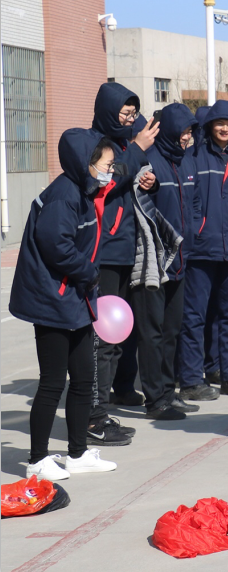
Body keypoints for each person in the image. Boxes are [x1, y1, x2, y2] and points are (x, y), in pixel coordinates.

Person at [13, 130, 122, 480]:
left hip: (75, 297)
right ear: (86, 163)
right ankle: (38, 459)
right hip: (53, 299)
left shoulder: (84, 191)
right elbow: (56, 246)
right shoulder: (63, 196)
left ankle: (76, 453)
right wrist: (88, 273)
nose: (110, 170)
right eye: (106, 165)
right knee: (52, 382)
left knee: (83, 380)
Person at [85, 83, 159, 445]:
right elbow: (103, 184)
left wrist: (145, 179)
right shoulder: (94, 144)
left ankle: (102, 408)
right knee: (101, 339)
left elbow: (124, 182)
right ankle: (93, 416)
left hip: (124, 250)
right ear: (107, 110)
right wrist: (136, 153)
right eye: (125, 114)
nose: (130, 120)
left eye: (133, 114)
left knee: (115, 338)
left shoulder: (124, 147)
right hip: (103, 253)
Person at [176, 101, 228, 401]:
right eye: (219, 123)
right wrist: (197, 228)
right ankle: (190, 379)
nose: (224, 128)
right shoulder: (195, 156)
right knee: (195, 317)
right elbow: (189, 197)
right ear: (210, 125)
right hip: (202, 249)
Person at [136, 104, 196, 421]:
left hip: (181, 259)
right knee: (152, 331)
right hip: (154, 262)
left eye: (190, 132)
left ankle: (168, 391)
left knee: (172, 330)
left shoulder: (184, 161)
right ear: (170, 130)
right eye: (184, 131)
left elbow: (193, 204)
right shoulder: (150, 160)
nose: (187, 137)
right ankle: (155, 398)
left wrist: (194, 234)